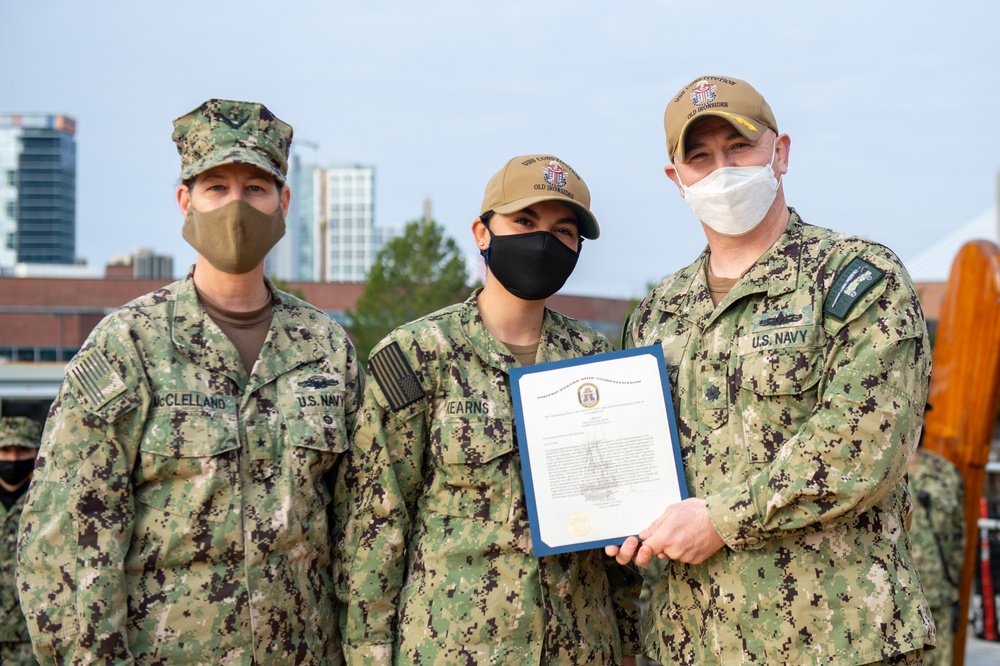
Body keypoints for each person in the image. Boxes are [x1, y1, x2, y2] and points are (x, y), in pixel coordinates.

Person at [16, 99, 363, 664]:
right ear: (185, 202)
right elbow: (68, 542)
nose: (236, 205)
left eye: (255, 187)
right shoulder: (129, 344)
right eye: (216, 187)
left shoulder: (327, 348)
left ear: (283, 203)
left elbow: (357, 530)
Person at [606, 75, 935, 665]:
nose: (722, 170)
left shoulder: (856, 279)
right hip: (694, 644)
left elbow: (865, 449)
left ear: (779, 154)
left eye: (740, 148)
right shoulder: (657, 313)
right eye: (700, 157)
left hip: (836, 638)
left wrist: (722, 519)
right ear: (675, 178)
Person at [337, 154, 642, 665]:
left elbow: (620, 533)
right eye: (524, 222)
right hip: (454, 649)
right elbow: (375, 527)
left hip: (582, 649)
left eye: (564, 231)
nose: (544, 241)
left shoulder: (600, 361)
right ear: (482, 232)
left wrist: (628, 644)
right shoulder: (416, 355)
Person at [908, 440, 965, 666]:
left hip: (938, 600)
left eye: (923, 412)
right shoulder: (875, 466)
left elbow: (958, 535)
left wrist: (953, 586)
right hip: (893, 603)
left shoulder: (945, 472)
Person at [1, 416, 41, 665]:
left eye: (22, 450)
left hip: (31, 636)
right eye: (5, 450)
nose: (13, 460)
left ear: (36, 452)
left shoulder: (46, 501)